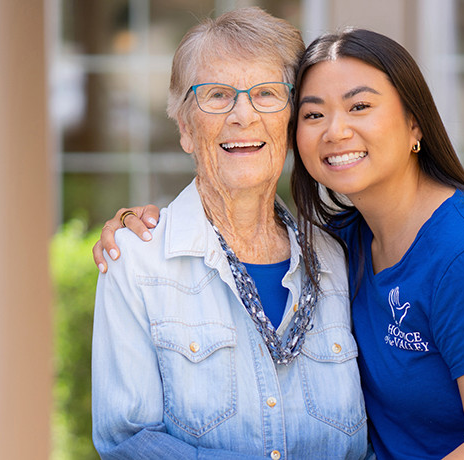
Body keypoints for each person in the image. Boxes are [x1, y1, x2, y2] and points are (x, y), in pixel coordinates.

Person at [96, 28, 464, 460]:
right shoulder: (346, 243)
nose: (336, 130)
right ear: (184, 127)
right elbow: (127, 439)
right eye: (315, 113)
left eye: (360, 106)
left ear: (414, 124)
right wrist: (132, 225)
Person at [91, 8, 368, 459]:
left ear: (291, 121)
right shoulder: (136, 261)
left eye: (266, 94)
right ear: (184, 128)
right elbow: (128, 441)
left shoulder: (339, 257)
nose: (243, 115)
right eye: (217, 95)